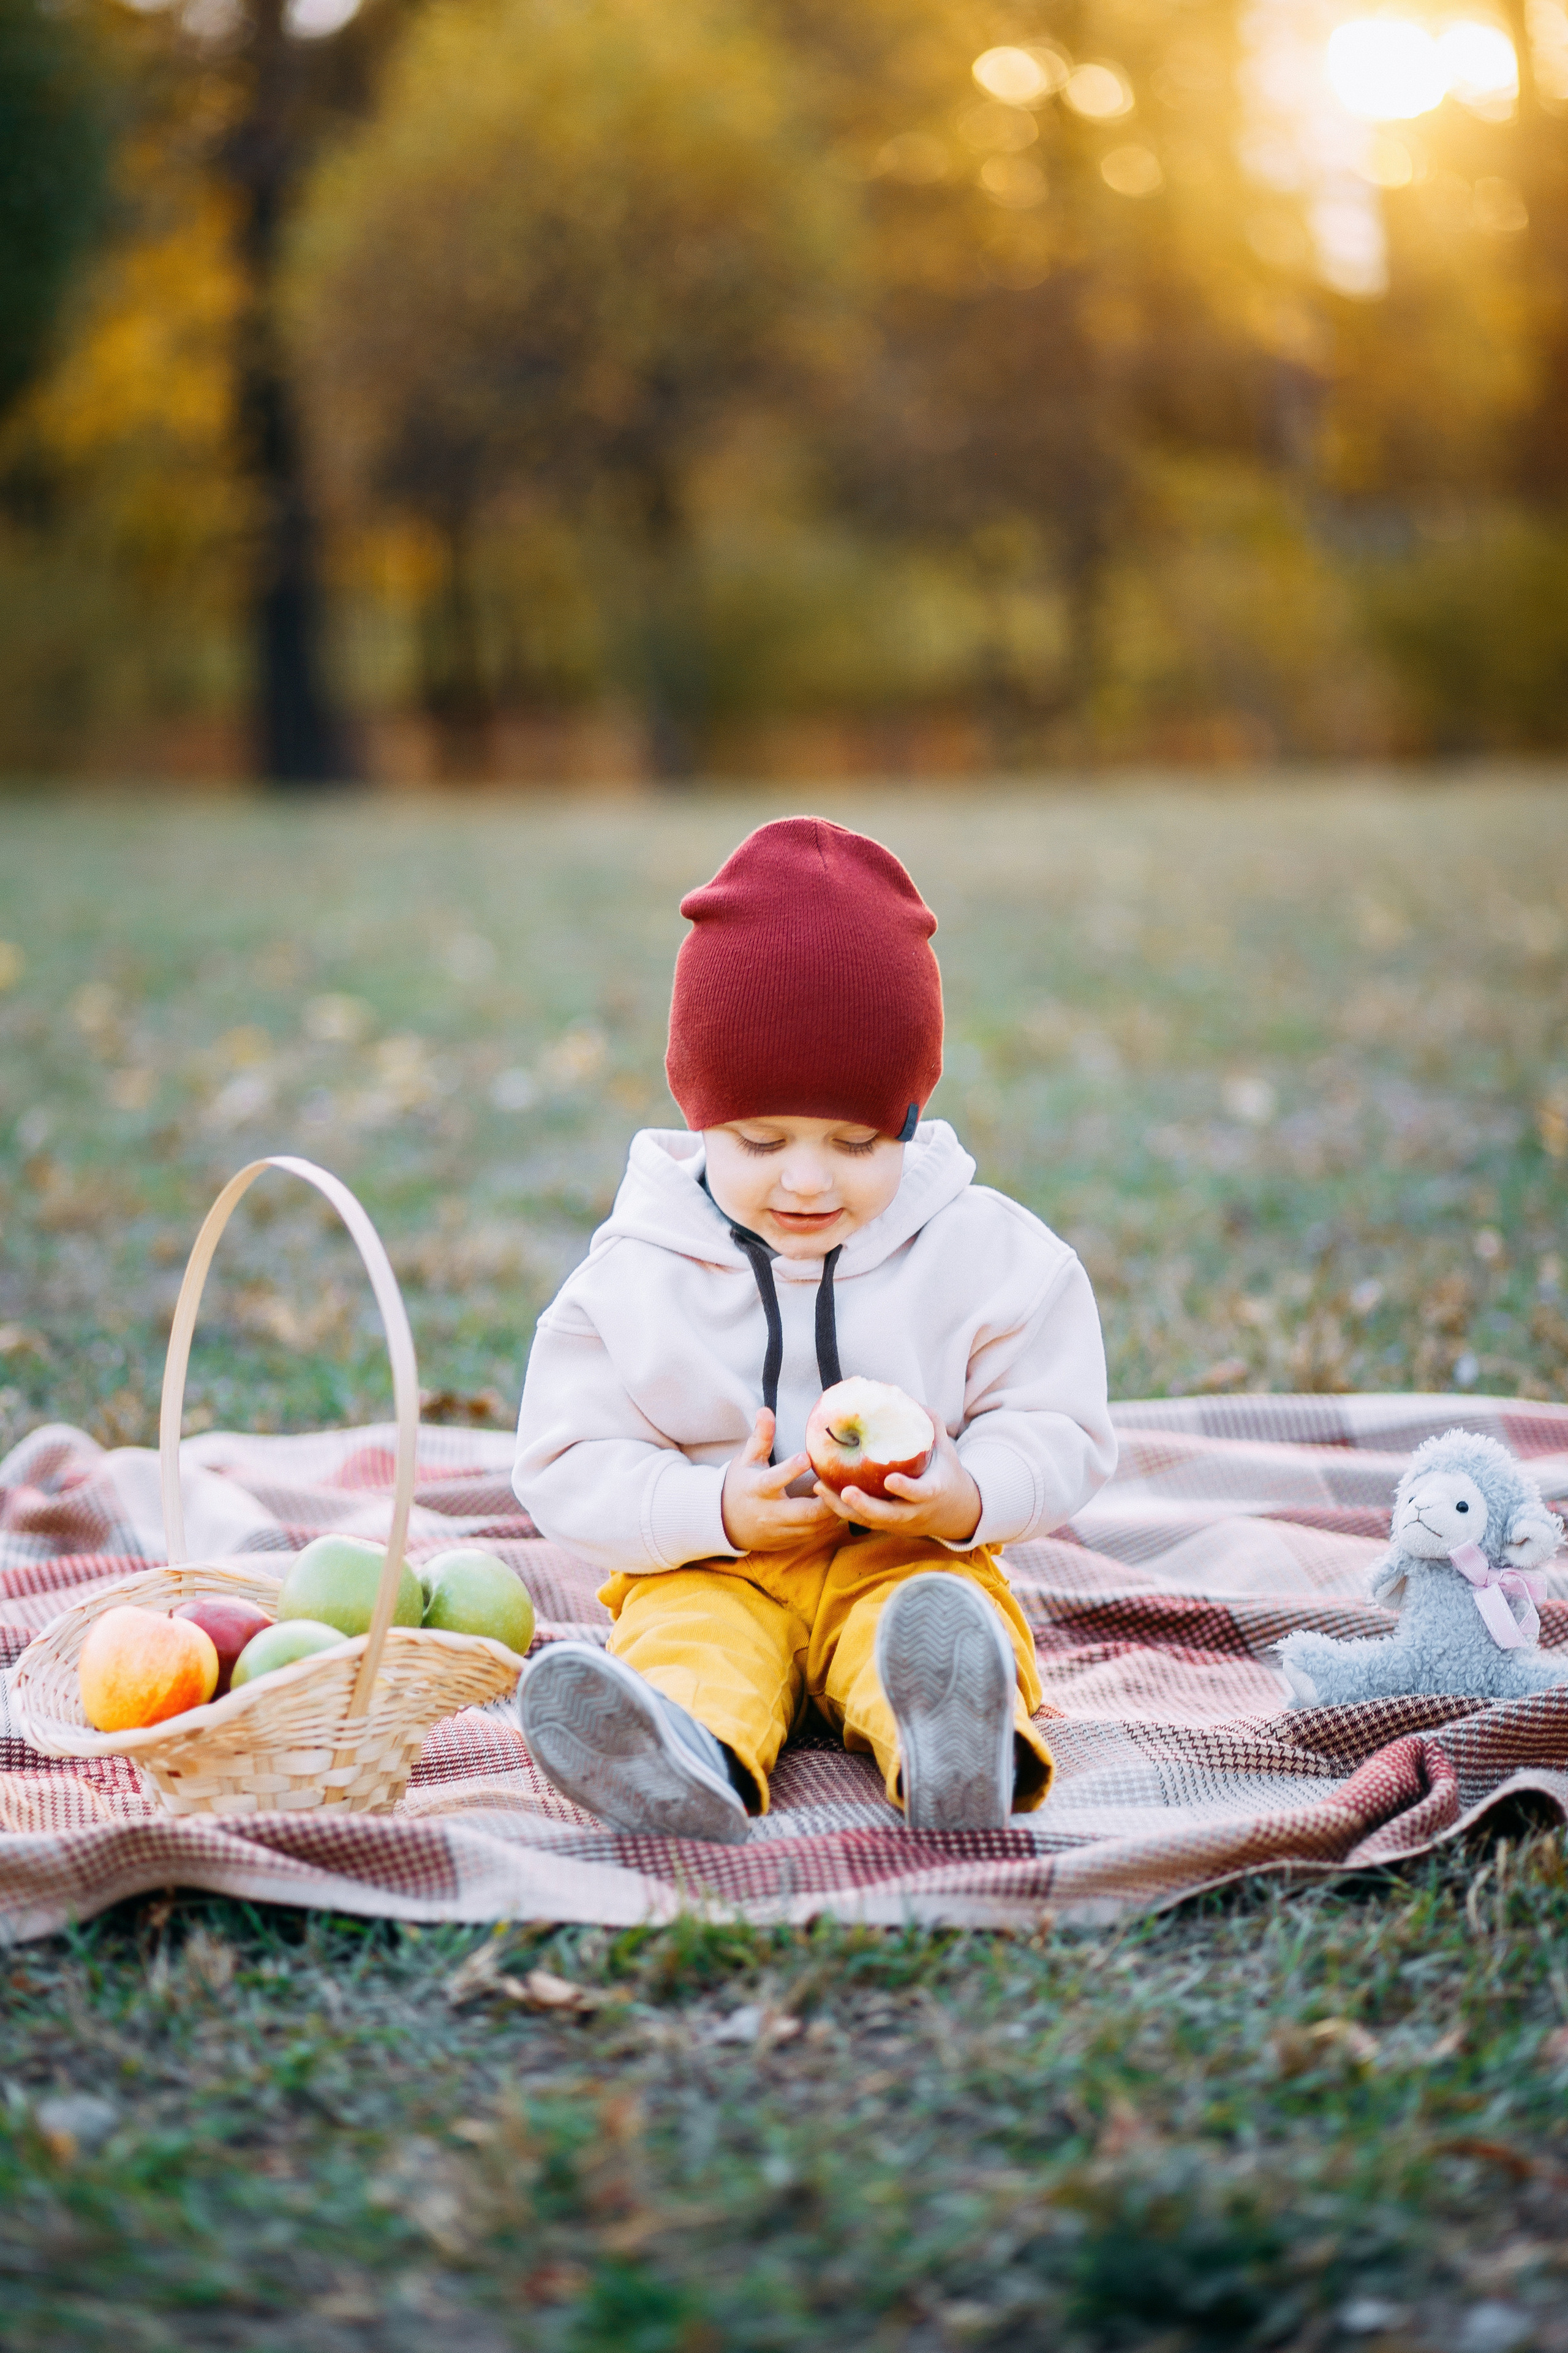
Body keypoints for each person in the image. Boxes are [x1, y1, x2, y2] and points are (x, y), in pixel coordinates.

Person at [512, 816, 1115, 1843]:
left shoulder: (984, 1254)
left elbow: (1062, 1422)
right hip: (711, 1561)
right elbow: (564, 1458)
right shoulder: (637, 1272)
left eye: (855, 1140)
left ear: (912, 1120)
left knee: (928, 1629)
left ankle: (955, 1750)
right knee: (693, 1645)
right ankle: (677, 1757)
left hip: (905, 1549)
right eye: (760, 1138)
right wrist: (712, 1507)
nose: (805, 1178)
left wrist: (967, 1492)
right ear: (701, 1117)